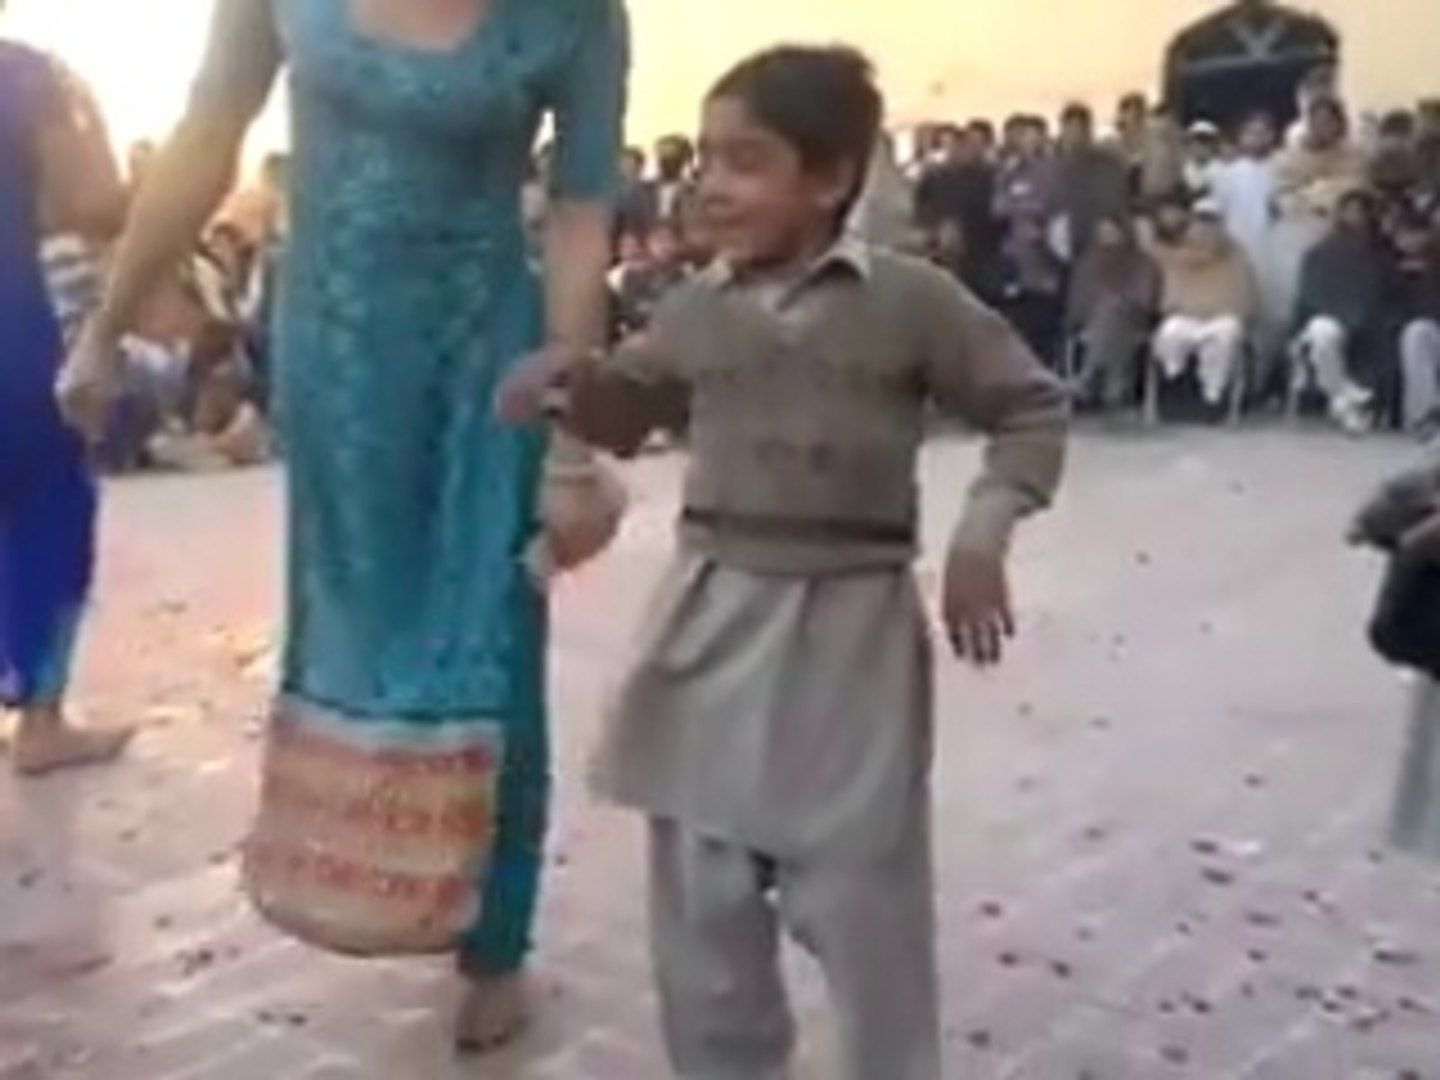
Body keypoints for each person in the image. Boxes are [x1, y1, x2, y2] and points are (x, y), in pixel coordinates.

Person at [58, 0, 628, 1051]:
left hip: (487, 364)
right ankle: (368, 861)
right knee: (355, 617)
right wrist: (105, 326)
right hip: (337, 356)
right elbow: (206, 137)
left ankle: (496, 938)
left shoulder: (571, 16)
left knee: (496, 625)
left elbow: (581, 213)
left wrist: (572, 437)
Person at [498, 44, 1068, 1080]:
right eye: (704, 159)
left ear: (831, 176)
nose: (711, 186)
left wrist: (984, 529)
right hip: (709, 632)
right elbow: (630, 405)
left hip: (848, 646)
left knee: (862, 905)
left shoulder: (911, 302)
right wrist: (570, 387)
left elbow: (1029, 407)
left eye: (747, 160)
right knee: (702, 912)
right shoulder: (696, 308)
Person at [0, 33, 130, 774]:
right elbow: (90, 205)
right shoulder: (25, 76)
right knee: (50, 500)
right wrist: (88, 118)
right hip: (10, 334)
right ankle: (41, 720)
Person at [1291, 189, 1389, 433]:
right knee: (1322, 331)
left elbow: (1390, 294)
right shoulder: (1320, 253)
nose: (1354, 217)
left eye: (1360, 212)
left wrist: (1361, 318)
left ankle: (1346, 404)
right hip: (1331, 320)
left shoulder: (1383, 254)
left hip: (1373, 327)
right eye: (1349, 211)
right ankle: (1345, 399)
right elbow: (1309, 295)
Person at [1151, 201, 1257, 416]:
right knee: (1170, 333)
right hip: (1187, 316)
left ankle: (1213, 397)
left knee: (1223, 336)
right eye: (1200, 220)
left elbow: (1244, 296)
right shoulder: (1179, 256)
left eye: (1211, 221)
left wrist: (1222, 310)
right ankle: (1176, 385)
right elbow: (1171, 296)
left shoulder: (1237, 256)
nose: (1205, 228)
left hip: (1222, 317)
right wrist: (1180, 308)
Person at [1067, 214, 1160, 409]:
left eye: (1111, 233)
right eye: (1102, 234)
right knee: (1107, 316)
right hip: (1093, 321)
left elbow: (1145, 297)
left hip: (1133, 318)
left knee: (1112, 314)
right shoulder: (1088, 263)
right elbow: (1079, 297)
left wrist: (1121, 300)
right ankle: (1115, 383)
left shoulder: (1142, 262)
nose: (1107, 238)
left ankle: (1087, 377)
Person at [1386, 209, 1440, 435]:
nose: (1409, 241)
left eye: (1414, 234)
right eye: (1403, 235)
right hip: (1423, 329)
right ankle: (1425, 415)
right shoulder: (1385, 264)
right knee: (1416, 334)